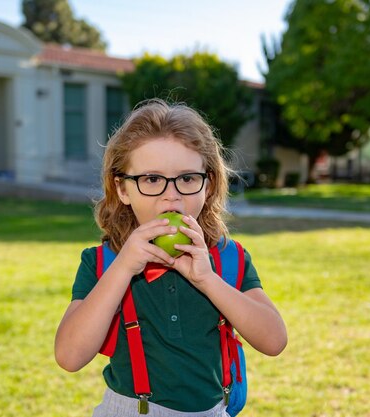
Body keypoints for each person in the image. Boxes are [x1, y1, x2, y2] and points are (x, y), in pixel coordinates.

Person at [54, 99, 287, 416]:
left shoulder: (227, 258)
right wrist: (123, 268)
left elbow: (274, 341)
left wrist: (207, 280)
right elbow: (69, 356)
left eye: (188, 178)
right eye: (151, 179)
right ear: (122, 189)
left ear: (209, 184)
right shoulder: (102, 262)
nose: (171, 194)